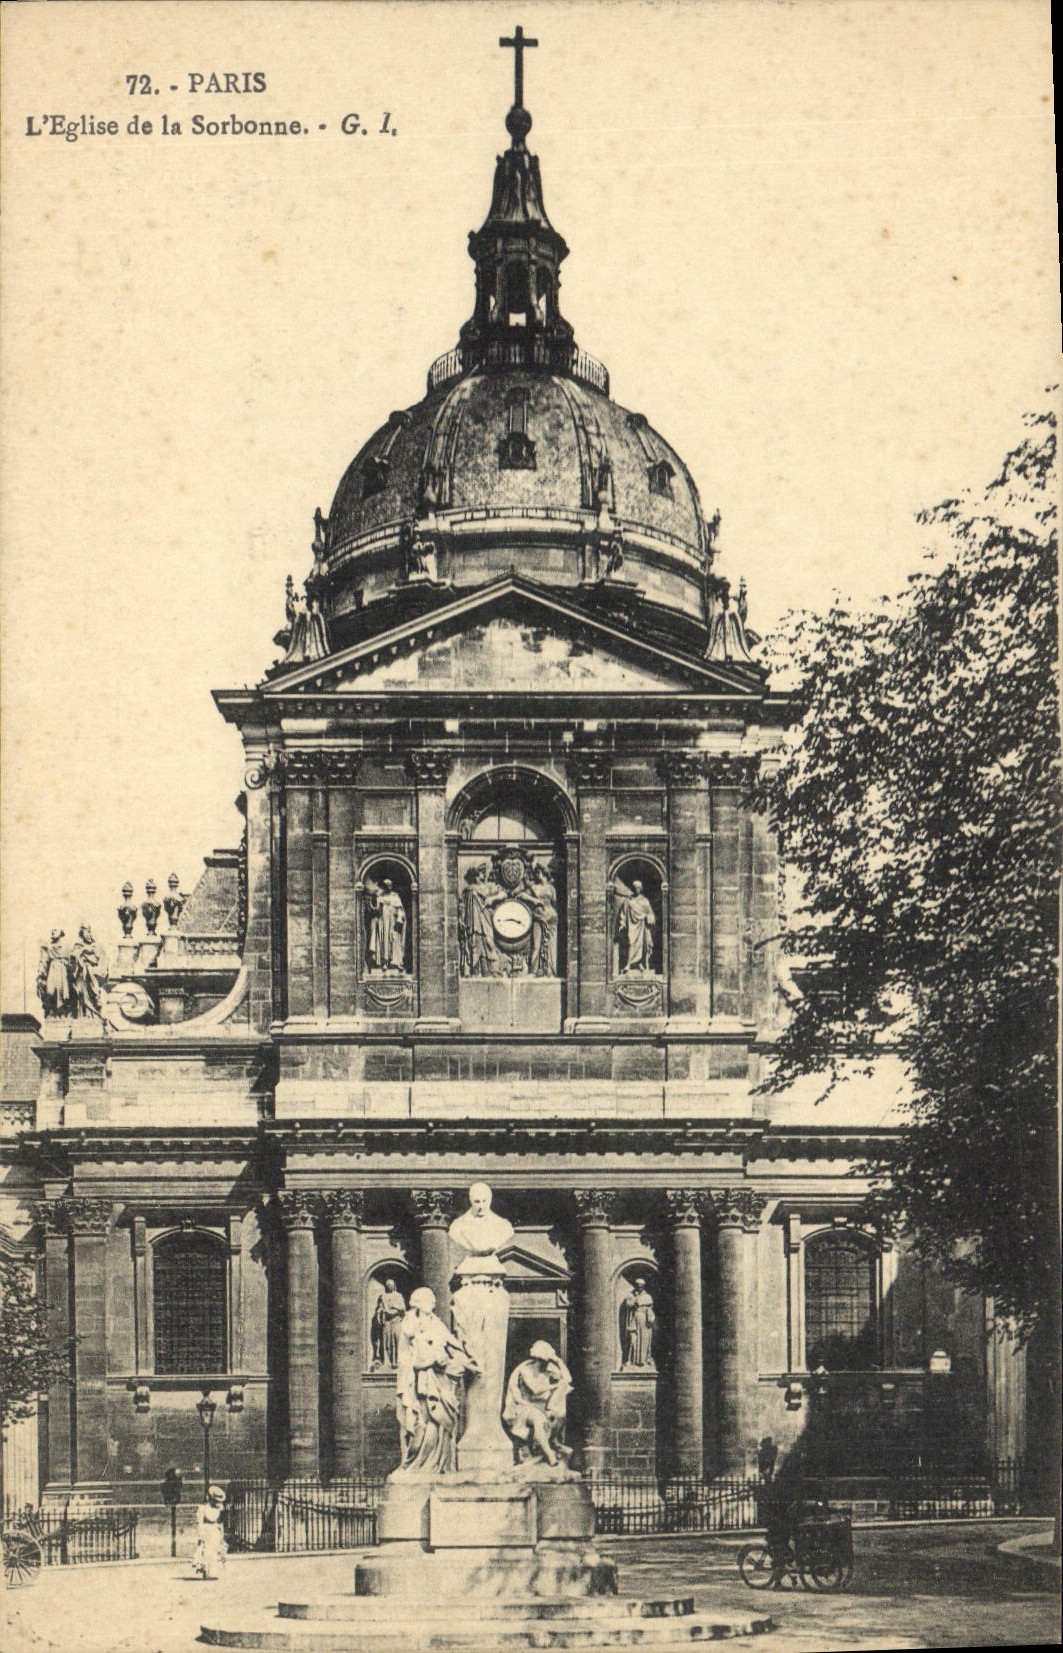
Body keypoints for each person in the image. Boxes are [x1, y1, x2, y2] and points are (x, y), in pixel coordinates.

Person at [393, 1287, 478, 1476]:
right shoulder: (410, 1325)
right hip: (423, 1381)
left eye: (433, 1300)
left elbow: (452, 1343)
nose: (433, 1303)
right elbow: (409, 1361)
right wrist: (432, 1361)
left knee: (445, 1421)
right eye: (429, 1300)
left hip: (441, 1379)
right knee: (424, 1423)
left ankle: (439, 1464)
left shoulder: (436, 1323)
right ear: (419, 1302)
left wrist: (468, 1360)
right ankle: (417, 1463)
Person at [503, 1341, 573, 1468]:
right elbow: (535, 1389)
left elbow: (568, 1379)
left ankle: (551, 1444)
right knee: (538, 1418)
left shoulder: (547, 1368)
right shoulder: (525, 1369)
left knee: (558, 1416)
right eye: (540, 1361)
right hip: (524, 1406)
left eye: (544, 1361)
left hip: (542, 1407)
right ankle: (549, 1454)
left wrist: (557, 1360)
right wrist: (555, 1385)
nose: (542, 1364)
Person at [448, 1182, 514, 1260]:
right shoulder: (457, 1226)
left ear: (490, 1200)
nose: (481, 1206)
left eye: (484, 1201)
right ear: (470, 1200)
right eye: (477, 1201)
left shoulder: (504, 1225)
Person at [611, 877, 656, 973]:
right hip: (631, 926)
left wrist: (649, 918)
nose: (637, 889)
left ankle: (641, 964)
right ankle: (629, 964)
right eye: (635, 887)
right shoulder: (628, 901)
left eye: (639, 887)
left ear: (641, 888)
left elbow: (650, 913)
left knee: (643, 945)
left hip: (642, 926)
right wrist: (622, 924)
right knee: (631, 943)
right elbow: (623, 913)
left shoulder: (645, 901)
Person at [366, 878, 407, 973]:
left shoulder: (395, 897)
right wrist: (370, 901)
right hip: (382, 922)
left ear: (391, 886)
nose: (388, 887)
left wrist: (399, 918)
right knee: (383, 940)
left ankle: (395, 962)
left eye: (389, 885)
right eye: (386, 885)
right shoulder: (380, 897)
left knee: (394, 939)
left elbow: (400, 910)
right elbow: (375, 910)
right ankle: (384, 962)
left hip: (393, 922)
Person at [69, 924, 105, 1018]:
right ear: (82, 933)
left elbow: (99, 959)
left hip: (91, 973)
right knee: (81, 994)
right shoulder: (78, 946)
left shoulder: (95, 946)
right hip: (81, 974)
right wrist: (82, 951)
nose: (88, 934)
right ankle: (84, 1014)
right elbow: (73, 958)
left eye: (89, 931)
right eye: (86, 931)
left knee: (92, 993)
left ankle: (92, 1014)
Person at [192, 1485, 227, 1580]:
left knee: (215, 1551)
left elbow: (220, 1523)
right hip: (206, 1531)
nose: (216, 1502)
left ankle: (213, 1572)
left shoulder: (219, 1509)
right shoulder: (203, 1508)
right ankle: (206, 1572)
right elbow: (200, 1522)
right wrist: (200, 1534)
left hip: (215, 1531)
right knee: (207, 1551)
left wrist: (221, 1536)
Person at [620, 1277, 656, 1367]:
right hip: (634, 1319)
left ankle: (643, 1361)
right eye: (636, 1286)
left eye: (640, 1286)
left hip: (644, 1321)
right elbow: (628, 1304)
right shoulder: (632, 1296)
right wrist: (634, 1299)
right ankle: (630, 1360)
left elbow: (649, 1310)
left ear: (643, 1287)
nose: (638, 1288)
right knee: (632, 1340)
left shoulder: (648, 1297)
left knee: (644, 1340)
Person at [371, 1277, 406, 1368]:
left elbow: (403, 1309)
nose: (389, 1286)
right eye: (387, 1285)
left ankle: (397, 1361)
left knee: (396, 1341)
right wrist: (381, 1311)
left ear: (394, 1286)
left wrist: (394, 1306)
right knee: (386, 1342)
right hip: (387, 1321)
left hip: (396, 1321)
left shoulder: (398, 1296)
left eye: (390, 1284)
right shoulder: (383, 1296)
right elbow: (379, 1308)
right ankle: (386, 1361)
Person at [36, 929, 71, 1018]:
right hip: (53, 969)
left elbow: (71, 961)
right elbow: (43, 961)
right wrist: (41, 973)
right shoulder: (48, 947)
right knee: (51, 990)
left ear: (60, 933)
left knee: (61, 990)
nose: (53, 932)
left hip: (63, 971)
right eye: (52, 930)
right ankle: (51, 1011)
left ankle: (61, 1013)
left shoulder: (66, 947)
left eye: (56, 930)